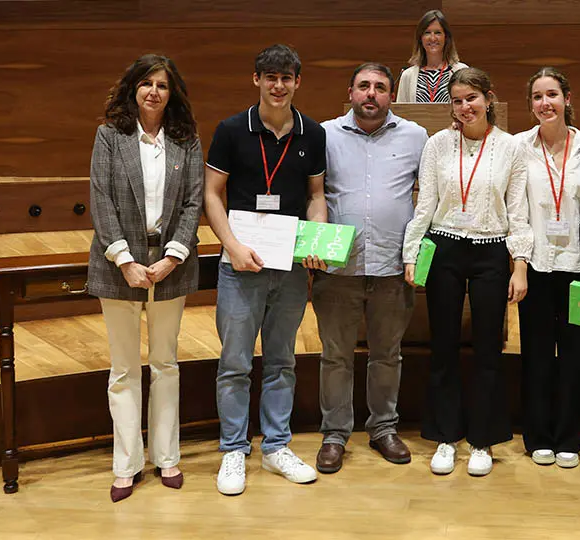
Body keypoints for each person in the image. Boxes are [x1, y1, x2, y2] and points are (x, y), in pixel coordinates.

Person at [204, 44, 328, 495]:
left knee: (282, 360)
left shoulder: (312, 134)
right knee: (235, 362)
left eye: (287, 77)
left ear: (298, 81)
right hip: (241, 263)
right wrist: (232, 247)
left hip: (291, 265)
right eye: (270, 77)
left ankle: (276, 447)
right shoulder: (232, 129)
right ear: (256, 79)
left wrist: (317, 240)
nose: (279, 85)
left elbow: (316, 196)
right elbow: (213, 194)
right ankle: (234, 450)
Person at [403, 67, 531, 477]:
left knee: (488, 349)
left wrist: (520, 265)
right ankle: (445, 437)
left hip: (492, 250)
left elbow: (518, 213)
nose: (464, 108)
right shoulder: (438, 144)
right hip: (443, 248)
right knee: (443, 345)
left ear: (488, 98)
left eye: (471, 99)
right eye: (457, 101)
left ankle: (482, 440)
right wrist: (411, 254)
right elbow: (425, 204)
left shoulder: (510, 148)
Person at [87, 53, 203, 503]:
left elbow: (193, 203)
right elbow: (101, 200)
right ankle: (126, 464)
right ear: (133, 88)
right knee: (123, 369)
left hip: (169, 265)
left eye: (163, 85)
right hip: (119, 265)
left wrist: (173, 256)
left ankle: (167, 457)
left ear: (172, 94)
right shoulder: (109, 136)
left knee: (165, 363)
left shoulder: (185, 139)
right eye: (147, 83)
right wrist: (124, 259)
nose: (154, 91)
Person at [312, 63, 428, 474]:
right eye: (364, 86)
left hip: (393, 268)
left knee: (387, 355)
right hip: (336, 268)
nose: (371, 94)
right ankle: (334, 434)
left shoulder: (416, 137)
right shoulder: (323, 134)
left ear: (391, 95)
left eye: (380, 87)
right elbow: (311, 192)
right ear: (350, 92)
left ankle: (383, 428)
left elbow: (428, 199)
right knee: (335, 356)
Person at [513, 68, 580, 469]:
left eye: (552, 95)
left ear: (567, 98)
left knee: (576, 355)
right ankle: (537, 435)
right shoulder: (519, 147)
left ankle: (570, 439)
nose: (545, 103)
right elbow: (517, 214)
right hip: (538, 265)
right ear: (530, 104)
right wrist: (520, 265)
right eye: (538, 97)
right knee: (538, 354)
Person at [395, 9, 468, 103]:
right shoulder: (407, 75)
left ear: (446, 37)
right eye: (427, 33)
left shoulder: (461, 71)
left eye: (438, 33)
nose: (432, 38)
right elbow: (401, 114)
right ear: (420, 38)